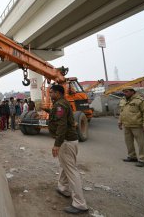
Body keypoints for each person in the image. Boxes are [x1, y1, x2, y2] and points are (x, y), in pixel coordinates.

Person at [45, 84, 88, 214]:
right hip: (70, 141)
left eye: (51, 92)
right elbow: (60, 118)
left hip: (66, 142)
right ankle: (63, 188)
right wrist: (48, 112)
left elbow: (62, 125)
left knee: (71, 170)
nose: (50, 94)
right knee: (65, 166)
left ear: (58, 93)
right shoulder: (61, 103)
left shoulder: (60, 105)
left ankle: (80, 204)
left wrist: (57, 144)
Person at [118, 86, 144, 167]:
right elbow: (121, 112)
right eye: (124, 92)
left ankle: (142, 160)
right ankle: (132, 156)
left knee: (141, 143)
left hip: (137, 125)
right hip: (127, 125)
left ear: (132, 92)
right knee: (128, 142)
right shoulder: (123, 100)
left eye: (127, 91)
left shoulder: (140, 100)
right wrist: (120, 122)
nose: (125, 93)